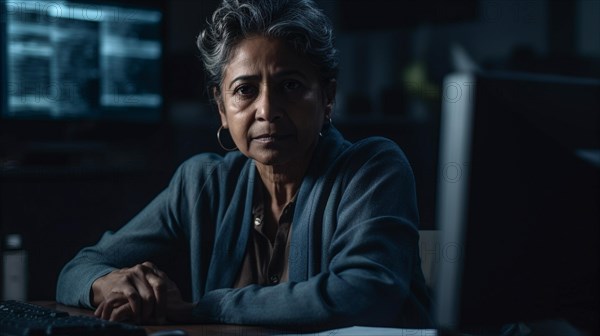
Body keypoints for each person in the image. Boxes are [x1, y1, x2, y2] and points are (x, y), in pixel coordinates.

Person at [56, 0, 431, 329]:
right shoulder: (202, 182)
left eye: (290, 86)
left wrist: (205, 307)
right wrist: (111, 283)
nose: (266, 111)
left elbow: (365, 294)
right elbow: (77, 269)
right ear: (222, 108)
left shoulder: (372, 169)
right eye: (245, 90)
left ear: (327, 96)